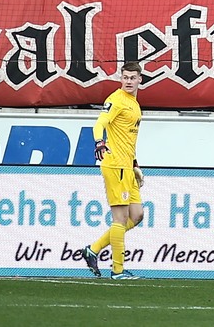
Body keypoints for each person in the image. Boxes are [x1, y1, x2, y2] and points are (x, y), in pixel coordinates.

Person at [81, 62, 146, 279]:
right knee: (119, 219)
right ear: (121, 79)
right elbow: (99, 124)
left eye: (132, 78)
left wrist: (135, 164)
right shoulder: (116, 100)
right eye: (125, 77)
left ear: (140, 80)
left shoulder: (134, 104)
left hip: (127, 166)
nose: (128, 81)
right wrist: (99, 142)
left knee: (137, 215)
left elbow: (128, 138)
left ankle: (93, 249)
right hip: (114, 164)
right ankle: (117, 270)